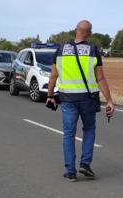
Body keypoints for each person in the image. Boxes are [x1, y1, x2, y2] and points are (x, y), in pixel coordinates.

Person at [46, 20, 115, 182]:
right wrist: (110, 100)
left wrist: (49, 96)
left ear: (75, 31)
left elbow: (53, 76)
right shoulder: (92, 50)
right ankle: (85, 164)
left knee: (68, 134)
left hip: (67, 99)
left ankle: (70, 171)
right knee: (89, 130)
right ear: (89, 33)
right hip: (87, 99)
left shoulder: (61, 50)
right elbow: (101, 78)